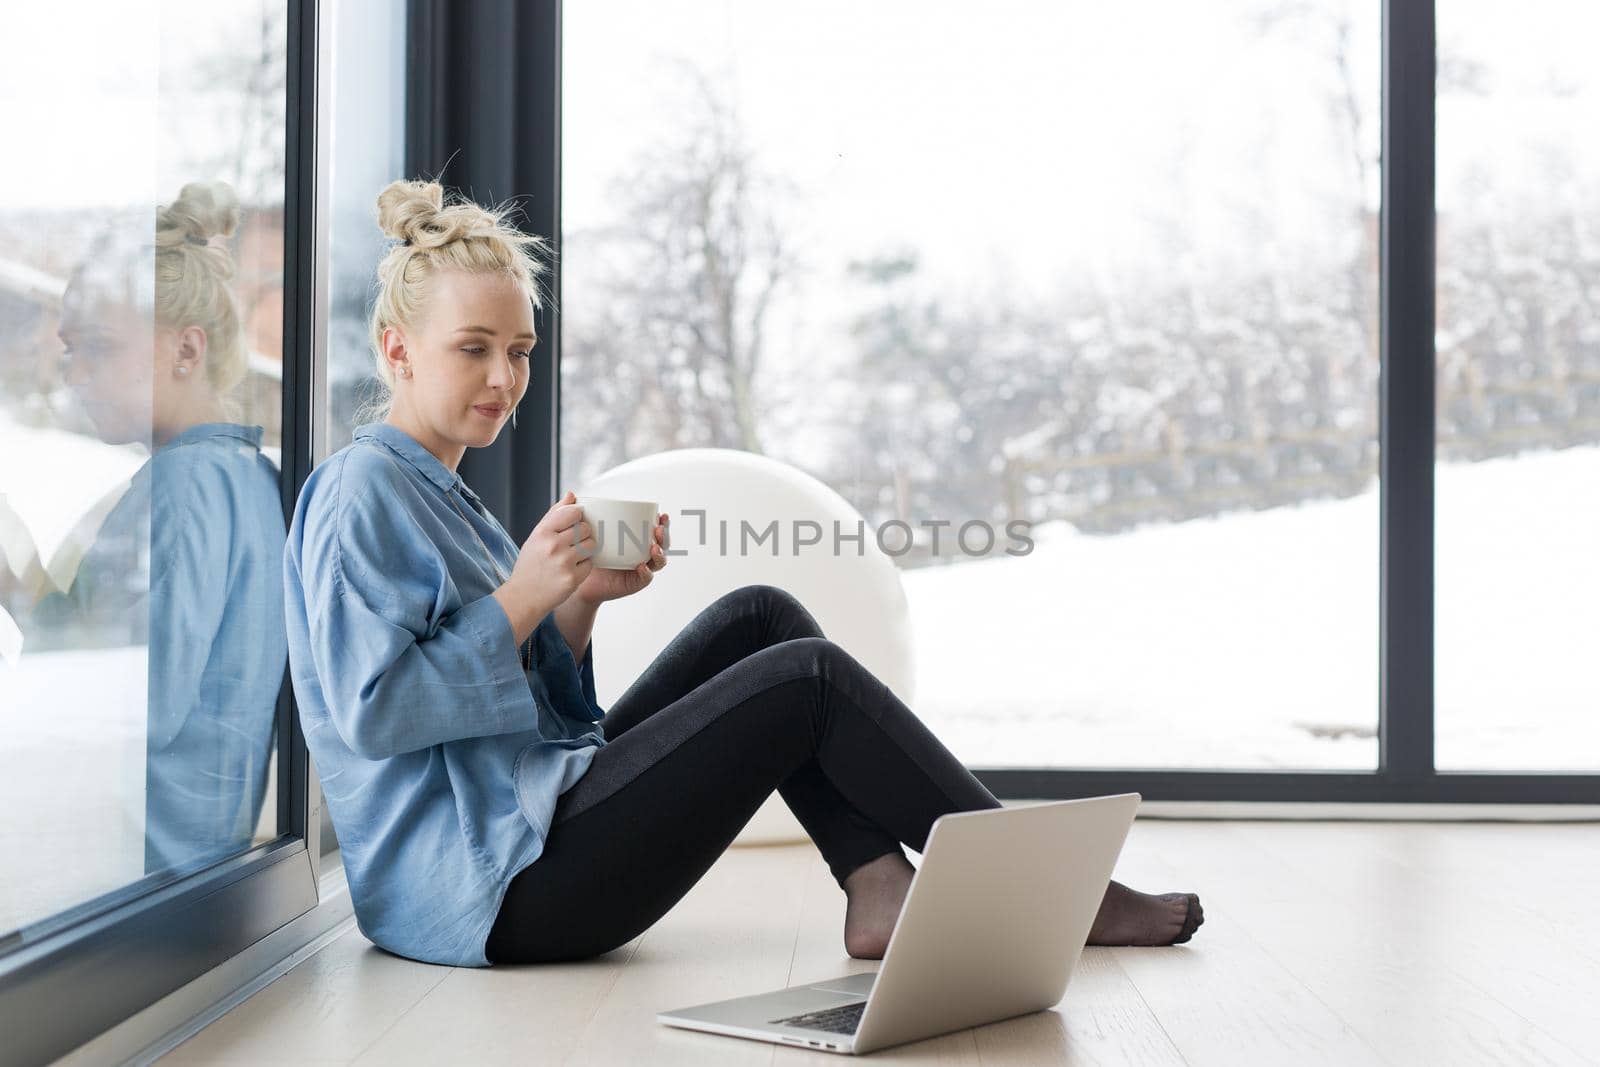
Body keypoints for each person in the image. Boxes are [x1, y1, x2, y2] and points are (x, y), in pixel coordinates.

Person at [282, 178, 1204, 969]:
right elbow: (377, 714)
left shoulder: (446, 495)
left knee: (762, 617)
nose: (504, 377)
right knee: (803, 679)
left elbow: (520, 710)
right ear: (396, 349)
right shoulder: (359, 492)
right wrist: (527, 592)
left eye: (519, 350)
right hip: (487, 894)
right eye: (473, 347)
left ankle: (877, 881)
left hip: (523, 840)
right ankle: (1049, 890)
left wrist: (575, 606)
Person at [42, 179, 286, 876]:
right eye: (68, 350)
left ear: (187, 348)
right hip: (192, 871)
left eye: (97, 347)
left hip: (135, 876)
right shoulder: (245, 474)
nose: (74, 374)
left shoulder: (184, 487)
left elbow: (130, 703)